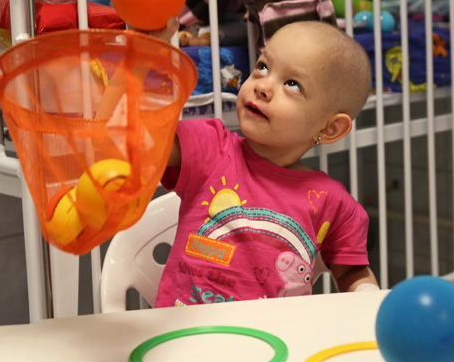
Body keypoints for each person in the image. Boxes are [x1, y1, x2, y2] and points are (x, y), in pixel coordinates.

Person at [152, 20, 379, 307]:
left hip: (274, 334)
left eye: (292, 84)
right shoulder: (210, 148)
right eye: (262, 66)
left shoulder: (332, 203)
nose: (262, 86)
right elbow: (146, 143)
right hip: (186, 330)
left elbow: (352, 272)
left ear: (329, 128)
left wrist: (367, 296)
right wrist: (148, 60)